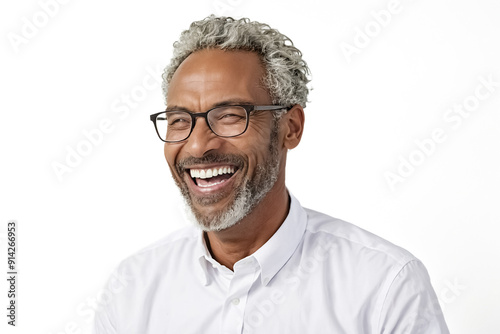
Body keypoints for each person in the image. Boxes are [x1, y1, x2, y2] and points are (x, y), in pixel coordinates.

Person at [93, 15, 449, 334]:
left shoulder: (385, 285)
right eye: (179, 121)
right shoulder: (132, 290)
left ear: (290, 128)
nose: (198, 146)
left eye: (230, 115)